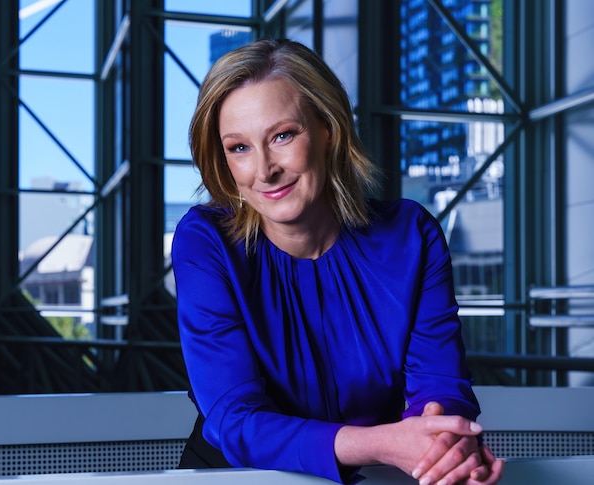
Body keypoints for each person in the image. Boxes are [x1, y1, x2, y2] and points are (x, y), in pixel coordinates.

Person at [171, 38, 504, 485]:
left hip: (382, 475)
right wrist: (383, 443)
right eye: (239, 148)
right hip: (240, 477)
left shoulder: (411, 235)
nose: (263, 170)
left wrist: (448, 446)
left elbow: (440, 388)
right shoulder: (206, 240)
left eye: (282, 136)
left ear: (329, 129)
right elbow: (235, 420)